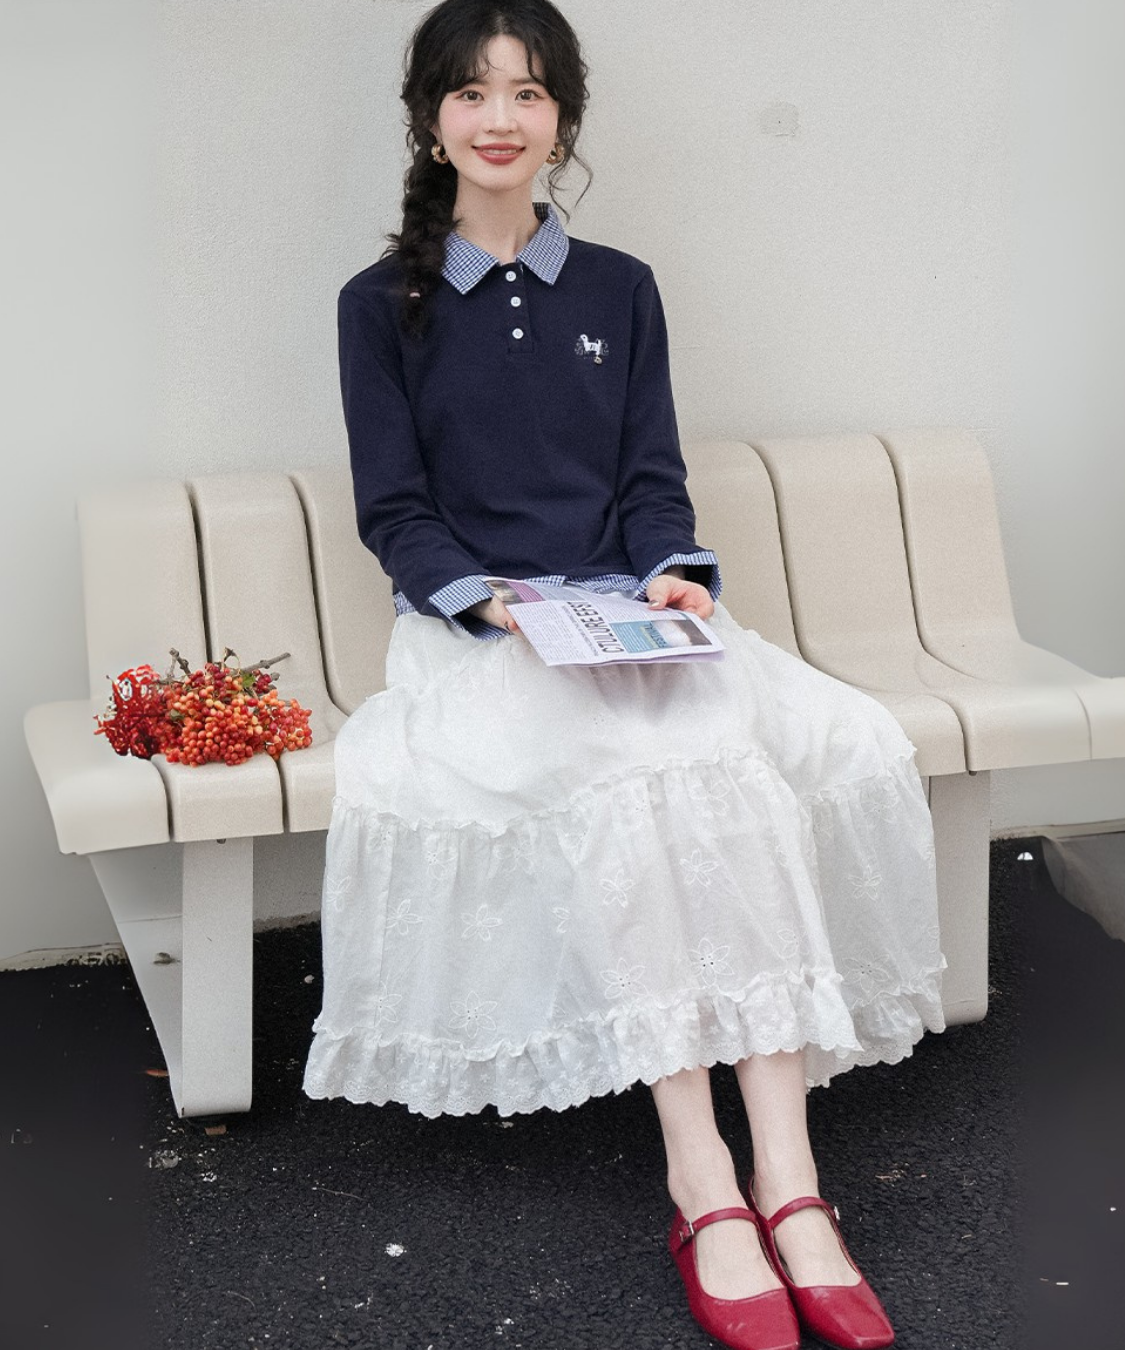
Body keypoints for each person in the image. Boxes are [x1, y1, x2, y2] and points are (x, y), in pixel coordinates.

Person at [302, 3, 946, 1347]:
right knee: (644, 783)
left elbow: (655, 481)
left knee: (737, 767)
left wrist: (669, 577)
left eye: (529, 94)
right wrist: (496, 606)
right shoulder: (378, 306)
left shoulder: (622, 287)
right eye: (473, 93)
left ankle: (792, 1181)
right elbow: (396, 513)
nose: (500, 119)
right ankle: (702, 1178)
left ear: (563, 120)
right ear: (430, 118)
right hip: (485, 639)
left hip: (631, 622)